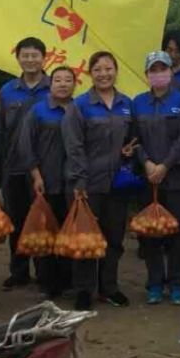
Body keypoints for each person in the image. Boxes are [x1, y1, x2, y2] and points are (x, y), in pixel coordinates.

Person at [63, 51, 135, 311]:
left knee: (113, 238)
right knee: (85, 239)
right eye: (98, 69)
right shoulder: (80, 106)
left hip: (117, 183)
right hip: (87, 183)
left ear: (116, 71)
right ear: (90, 74)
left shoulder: (126, 103)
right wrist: (79, 181)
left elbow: (133, 138)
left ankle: (109, 287)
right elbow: (73, 146)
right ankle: (84, 290)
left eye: (108, 69)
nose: (104, 74)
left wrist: (129, 150)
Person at [132, 51, 180, 305]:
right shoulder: (138, 102)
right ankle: (155, 283)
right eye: (153, 70)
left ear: (170, 72)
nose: (158, 74)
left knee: (178, 232)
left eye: (163, 69)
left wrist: (165, 165)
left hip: (177, 177)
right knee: (150, 233)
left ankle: (177, 284)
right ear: (146, 74)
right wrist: (146, 162)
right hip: (148, 178)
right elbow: (134, 139)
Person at [0, 37, 51, 291]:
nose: (30, 60)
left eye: (34, 55)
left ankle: (45, 273)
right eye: (25, 55)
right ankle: (19, 271)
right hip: (13, 166)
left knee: (42, 220)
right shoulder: (8, 91)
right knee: (16, 221)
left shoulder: (55, 87)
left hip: (45, 168)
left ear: (44, 58)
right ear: (17, 58)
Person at [18, 66, 76, 299]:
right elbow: (25, 144)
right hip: (45, 181)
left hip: (73, 183)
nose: (62, 84)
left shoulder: (79, 109)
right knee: (45, 232)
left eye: (68, 80)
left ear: (75, 84)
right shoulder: (38, 110)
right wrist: (36, 175)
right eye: (57, 80)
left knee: (69, 231)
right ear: (50, 85)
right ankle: (47, 282)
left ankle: (69, 280)